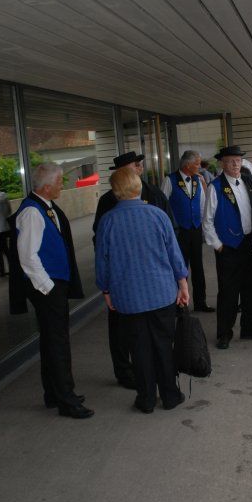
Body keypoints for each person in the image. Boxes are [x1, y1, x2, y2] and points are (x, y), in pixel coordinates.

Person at [97, 169, 189, 413]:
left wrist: (106, 290)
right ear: (138, 187)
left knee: (138, 349)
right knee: (163, 344)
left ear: (115, 192)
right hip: (161, 292)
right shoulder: (158, 215)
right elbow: (174, 254)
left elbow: (102, 262)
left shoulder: (108, 221)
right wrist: (183, 283)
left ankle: (146, 398)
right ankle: (170, 395)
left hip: (127, 297)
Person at [15, 164, 91, 419]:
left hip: (53, 284)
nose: (62, 185)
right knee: (58, 343)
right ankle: (66, 399)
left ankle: (53, 393)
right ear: (46, 186)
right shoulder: (32, 213)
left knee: (51, 341)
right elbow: (27, 256)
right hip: (47, 286)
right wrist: (48, 286)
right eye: (60, 181)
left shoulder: (44, 207)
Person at [94, 151, 175, 390]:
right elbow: (100, 245)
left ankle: (153, 384)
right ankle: (125, 373)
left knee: (156, 336)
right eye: (134, 166)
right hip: (125, 283)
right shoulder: (108, 202)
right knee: (124, 335)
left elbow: (172, 237)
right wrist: (107, 284)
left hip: (156, 281)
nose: (139, 168)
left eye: (139, 165)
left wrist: (178, 276)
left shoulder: (155, 195)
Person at [203, 145, 252, 349]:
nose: (235, 164)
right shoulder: (215, 186)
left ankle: (250, 328)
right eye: (230, 161)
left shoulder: (249, 182)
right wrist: (218, 245)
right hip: (229, 248)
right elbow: (207, 221)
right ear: (222, 163)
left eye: (238, 161)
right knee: (228, 293)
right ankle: (224, 333)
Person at [161, 150, 214, 313]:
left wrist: (202, 226)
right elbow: (163, 205)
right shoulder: (170, 180)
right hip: (179, 231)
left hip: (195, 229)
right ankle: (180, 305)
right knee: (180, 267)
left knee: (198, 267)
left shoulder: (198, 179)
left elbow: (202, 204)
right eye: (197, 164)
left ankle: (200, 302)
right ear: (187, 165)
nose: (200, 167)